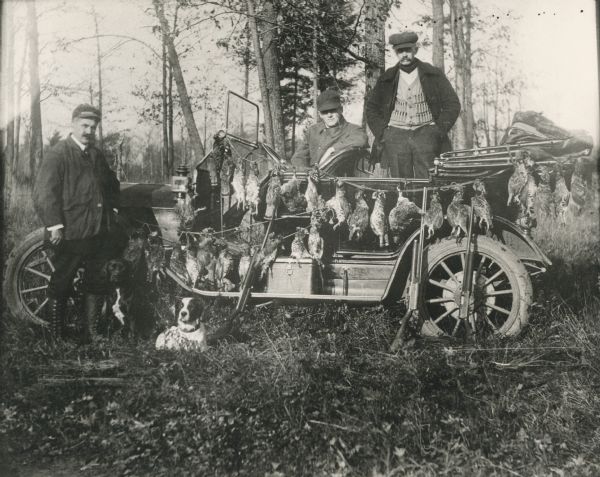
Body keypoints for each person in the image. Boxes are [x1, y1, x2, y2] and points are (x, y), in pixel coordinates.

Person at [33, 104, 125, 343]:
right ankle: (56, 335)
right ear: (73, 124)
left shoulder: (96, 155)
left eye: (93, 127)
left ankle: (91, 333)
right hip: (71, 230)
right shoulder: (58, 154)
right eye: (84, 126)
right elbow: (45, 193)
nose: (88, 131)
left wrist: (114, 207)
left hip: (97, 231)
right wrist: (54, 225)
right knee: (62, 281)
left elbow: (111, 184)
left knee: (96, 282)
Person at [366, 31, 461, 178]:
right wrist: (383, 133)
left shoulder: (433, 74)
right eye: (400, 51)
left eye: (407, 50)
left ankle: (429, 202)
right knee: (401, 183)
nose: (404, 55)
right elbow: (371, 108)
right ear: (395, 52)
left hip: (426, 134)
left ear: (415, 49)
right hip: (396, 136)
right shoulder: (387, 78)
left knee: (429, 179)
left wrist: (438, 129)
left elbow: (452, 103)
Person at [291, 89, 369, 169]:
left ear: (341, 109)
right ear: (320, 114)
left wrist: (332, 150)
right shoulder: (313, 131)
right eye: (324, 112)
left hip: (340, 179)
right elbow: (299, 157)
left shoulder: (353, 129)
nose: (329, 115)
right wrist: (306, 174)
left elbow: (361, 140)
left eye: (333, 110)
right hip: (312, 178)